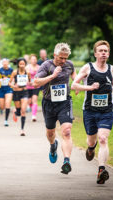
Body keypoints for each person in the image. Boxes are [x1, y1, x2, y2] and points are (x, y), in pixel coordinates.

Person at [71, 40, 113, 184]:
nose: (103, 53)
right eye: (100, 51)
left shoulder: (111, 68)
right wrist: (89, 88)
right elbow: (74, 85)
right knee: (92, 140)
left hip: (106, 110)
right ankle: (90, 148)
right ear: (95, 53)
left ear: (108, 54)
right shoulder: (87, 68)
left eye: (105, 51)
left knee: (103, 138)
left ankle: (101, 170)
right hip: (89, 111)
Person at [34, 43, 77, 175]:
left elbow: (74, 77)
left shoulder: (69, 65)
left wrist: (77, 85)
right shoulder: (46, 65)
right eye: (60, 58)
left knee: (67, 131)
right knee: (50, 133)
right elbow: (36, 81)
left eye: (65, 58)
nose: (63, 61)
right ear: (54, 55)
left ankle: (66, 161)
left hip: (64, 102)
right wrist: (52, 76)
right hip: (49, 103)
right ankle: (53, 146)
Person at [10, 58, 31, 136]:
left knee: (23, 111)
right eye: (20, 64)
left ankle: (22, 130)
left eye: (23, 64)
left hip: (24, 92)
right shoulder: (15, 72)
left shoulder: (27, 72)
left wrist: (30, 84)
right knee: (19, 112)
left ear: (25, 64)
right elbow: (9, 83)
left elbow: (29, 82)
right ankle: (15, 112)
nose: (22, 65)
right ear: (18, 64)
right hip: (16, 93)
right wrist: (13, 86)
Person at [0, 59, 13, 126]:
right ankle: (2, 109)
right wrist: (0, 79)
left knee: (7, 103)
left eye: (6, 62)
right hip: (1, 89)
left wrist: (10, 80)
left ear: (8, 63)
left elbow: (14, 78)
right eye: (4, 62)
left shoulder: (11, 70)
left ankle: (6, 120)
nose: (5, 63)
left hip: (9, 88)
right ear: (2, 63)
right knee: (2, 106)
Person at [26, 54, 40, 121]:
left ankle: (34, 116)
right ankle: (31, 108)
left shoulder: (39, 67)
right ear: (30, 60)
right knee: (29, 101)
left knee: (34, 100)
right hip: (28, 86)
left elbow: (41, 76)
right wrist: (27, 81)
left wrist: (36, 81)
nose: (34, 61)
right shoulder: (27, 67)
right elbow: (24, 76)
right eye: (32, 59)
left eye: (35, 59)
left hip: (36, 86)